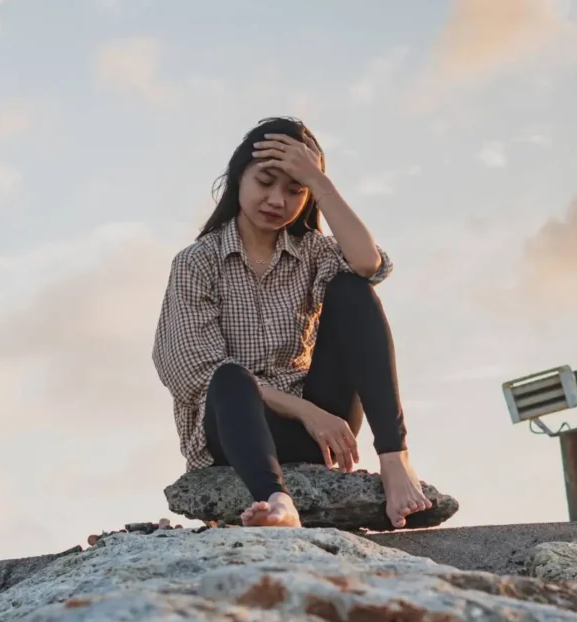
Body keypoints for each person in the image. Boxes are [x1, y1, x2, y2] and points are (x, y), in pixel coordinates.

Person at [152, 116, 432, 528]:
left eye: (294, 190)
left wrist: (319, 181)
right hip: (236, 428)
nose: (277, 200)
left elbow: (369, 264)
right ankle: (278, 502)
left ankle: (395, 459)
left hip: (321, 430)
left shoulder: (314, 253)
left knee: (354, 290)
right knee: (228, 377)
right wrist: (304, 410)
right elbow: (192, 373)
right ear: (237, 178)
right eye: (265, 181)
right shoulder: (198, 261)